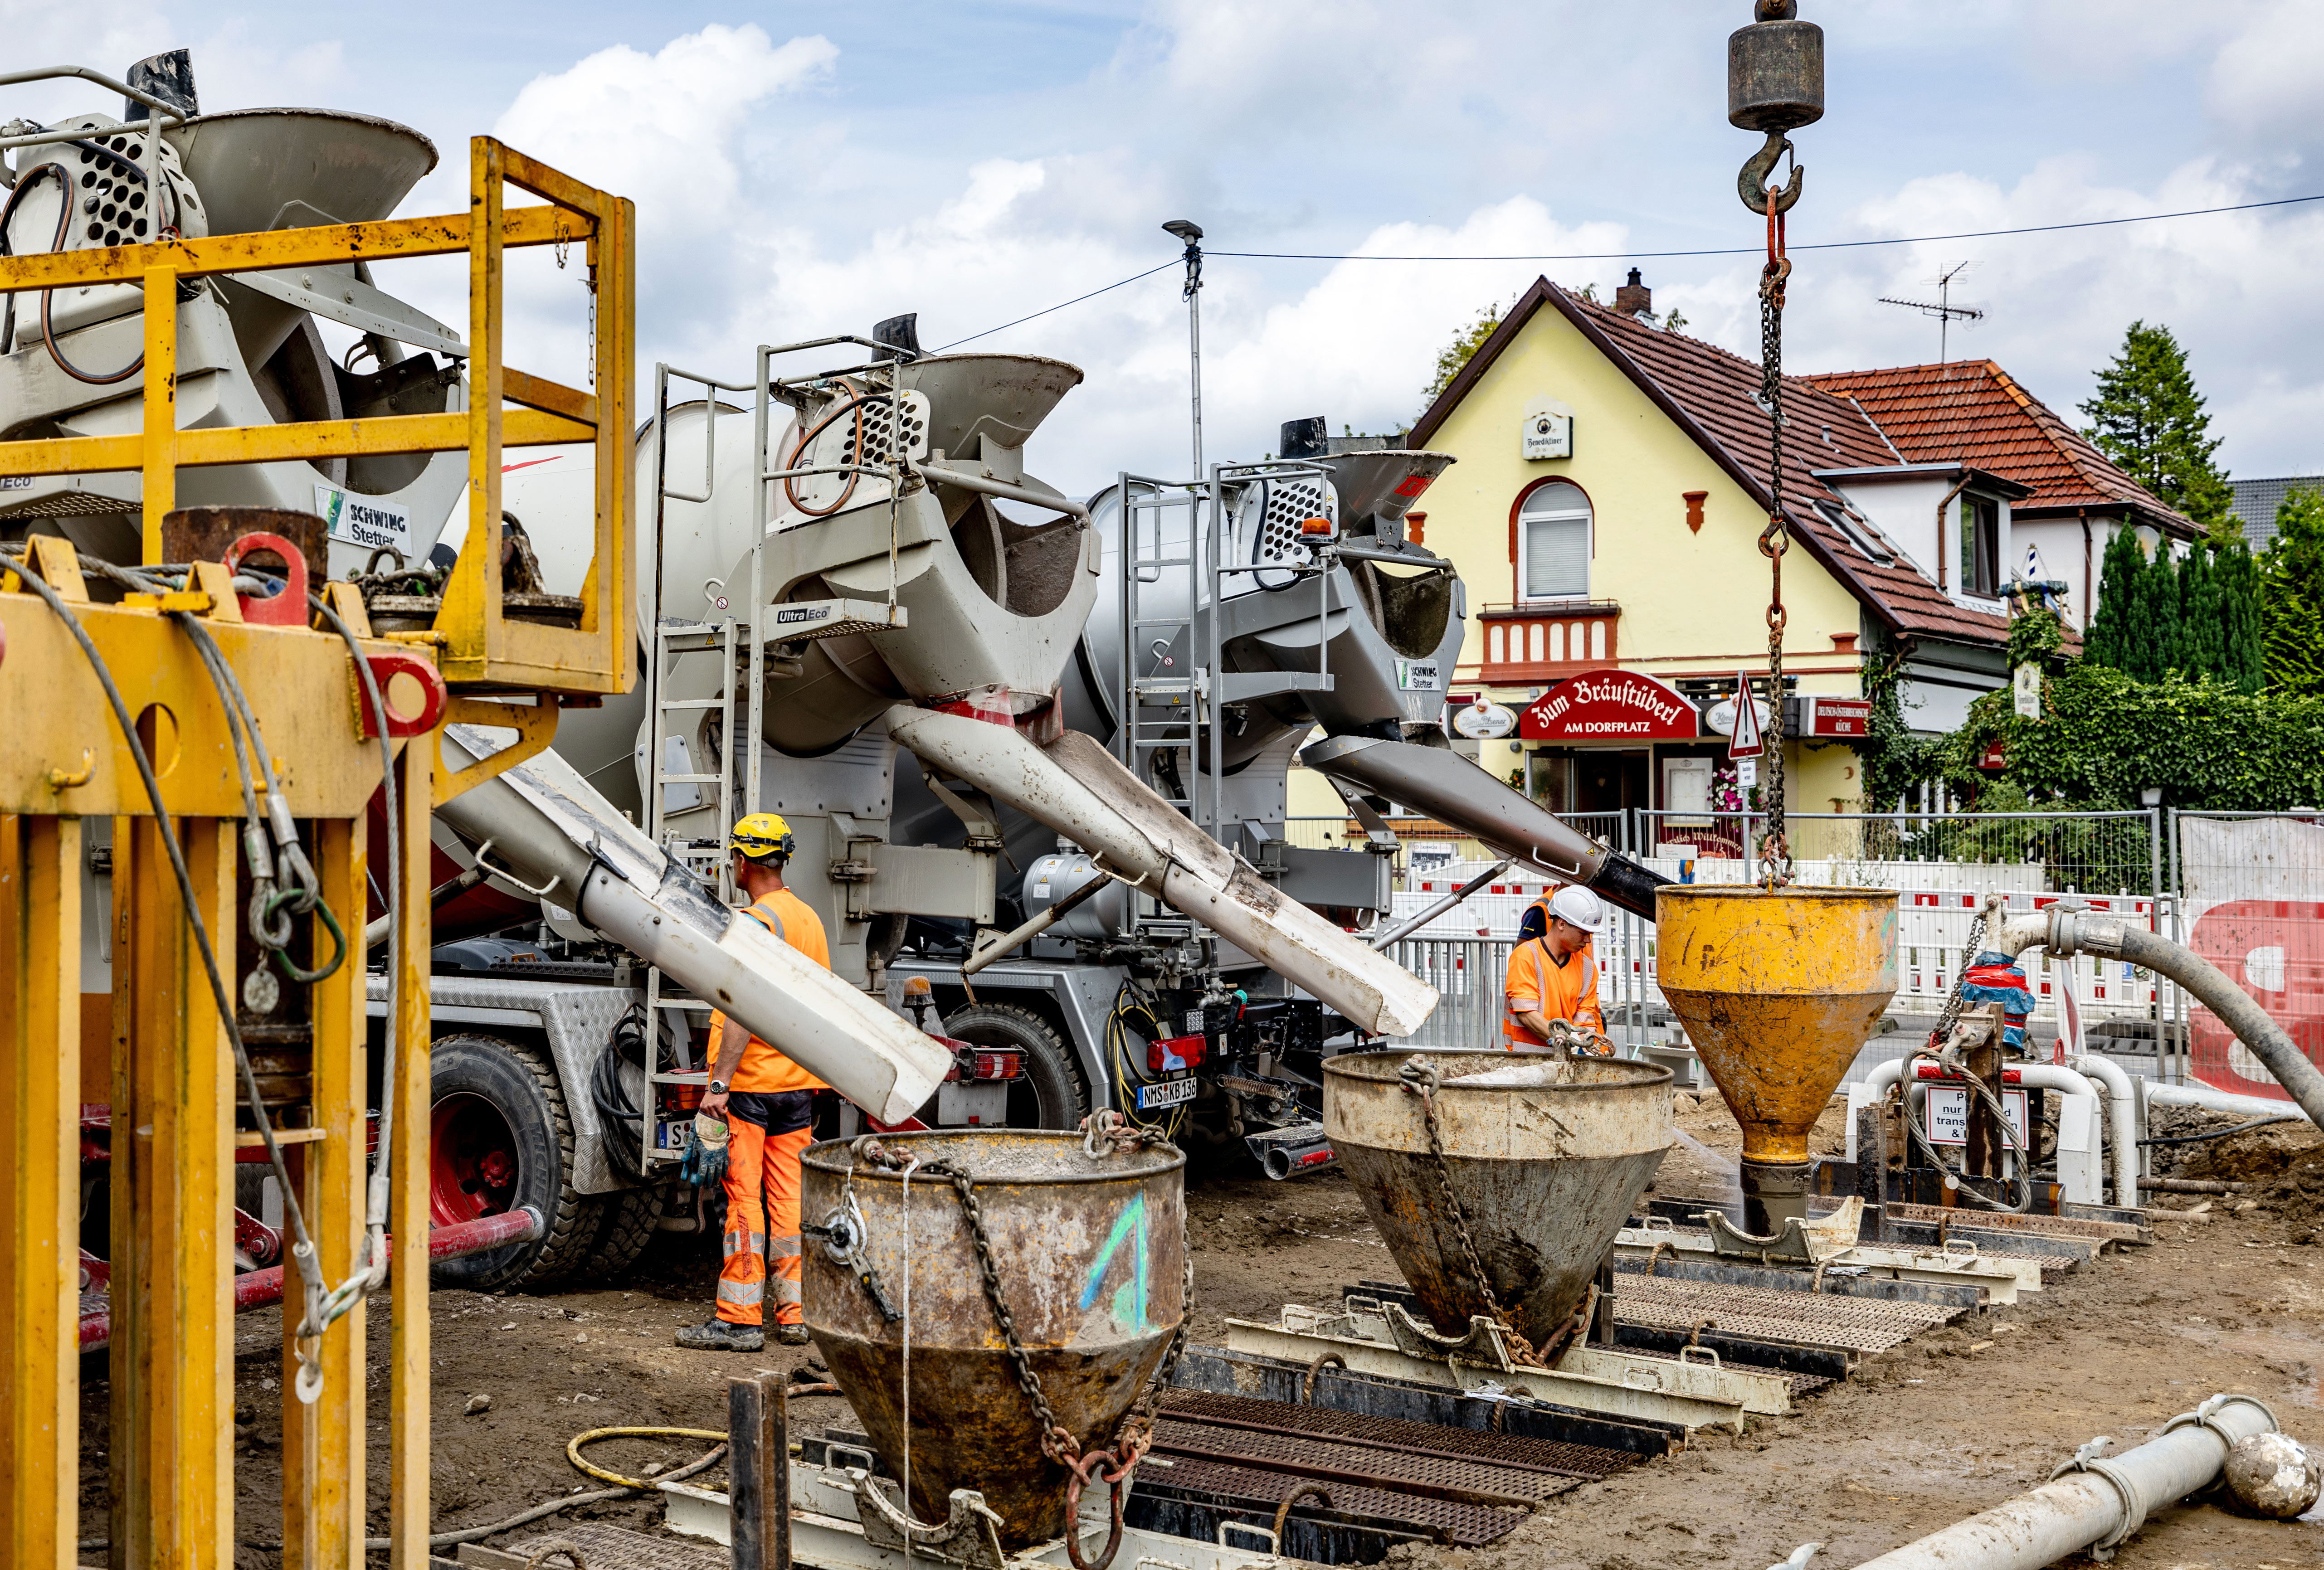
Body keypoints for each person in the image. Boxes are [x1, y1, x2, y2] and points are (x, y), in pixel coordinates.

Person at [676, 813, 830, 1352]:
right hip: (798, 1087)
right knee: (789, 1202)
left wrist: (717, 1088)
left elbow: (742, 1011)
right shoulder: (807, 918)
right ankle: (794, 1315)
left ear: (742, 861)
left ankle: (739, 1319)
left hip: (751, 1088)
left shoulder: (757, 923)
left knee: (744, 1199)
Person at [1503, 884, 1605, 1049]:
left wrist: (1584, 1041)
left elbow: (1584, 1021)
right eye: (1583, 933)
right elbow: (1527, 1014)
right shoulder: (1525, 956)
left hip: (1563, 1060)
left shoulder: (1588, 968)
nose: (1588, 940)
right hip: (1525, 1061)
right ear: (1562, 924)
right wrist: (1566, 1039)